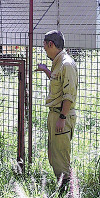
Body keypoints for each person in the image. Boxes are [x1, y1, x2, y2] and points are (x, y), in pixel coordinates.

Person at [36, 30, 78, 185]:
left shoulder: (66, 64)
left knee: (61, 159)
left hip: (61, 116)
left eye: (45, 47)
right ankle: (63, 190)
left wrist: (62, 117)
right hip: (55, 115)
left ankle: (67, 194)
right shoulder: (59, 62)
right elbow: (57, 81)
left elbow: (69, 95)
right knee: (54, 157)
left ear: (51, 44)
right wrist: (46, 69)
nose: (45, 50)